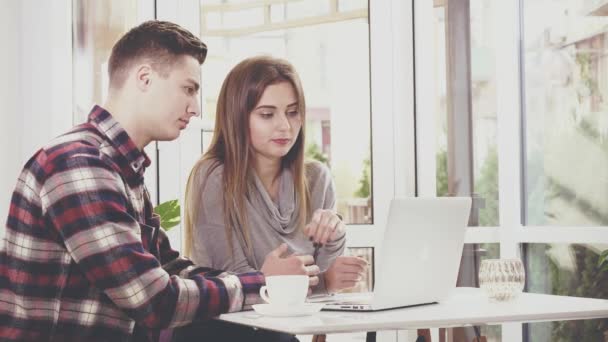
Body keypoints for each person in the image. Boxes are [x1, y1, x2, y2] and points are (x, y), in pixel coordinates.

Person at [0, 21, 318, 342]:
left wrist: (261, 280)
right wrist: (262, 282)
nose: (194, 108)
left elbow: (170, 267)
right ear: (145, 78)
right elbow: (155, 300)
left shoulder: (120, 168)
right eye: (188, 89)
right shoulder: (79, 165)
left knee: (264, 334)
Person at [178, 56, 367, 340]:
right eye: (267, 114)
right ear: (237, 118)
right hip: (224, 327)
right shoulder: (213, 176)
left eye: (292, 112)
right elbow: (233, 282)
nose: (285, 127)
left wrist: (335, 242)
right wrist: (280, 280)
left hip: (279, 330)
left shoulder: (317, 178)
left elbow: (320, 286)